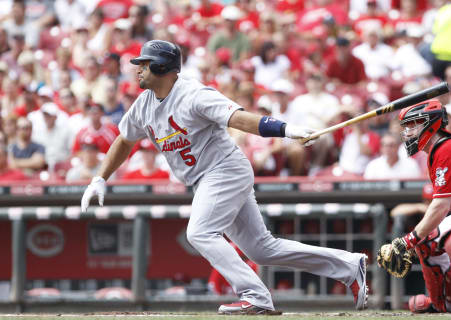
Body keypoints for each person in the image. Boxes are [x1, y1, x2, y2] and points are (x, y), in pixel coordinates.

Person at [80, 40, 368, 315]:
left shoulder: (193, 95)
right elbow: (124, 139)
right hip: (205, 178)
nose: (137, 68)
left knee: (200, 232)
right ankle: (348, 266)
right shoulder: (143, 104)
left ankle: (255, 297)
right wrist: (100, 178)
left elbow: (238, 118)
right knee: (262, 250)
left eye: (144, 63)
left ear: (161, 67)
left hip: (223, 169)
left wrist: (285, 130)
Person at [377, 99, 451, 313]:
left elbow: (441, 207)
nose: (407, 132)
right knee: (428, 241)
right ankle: (446, 306)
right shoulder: (439, 150)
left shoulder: (447, 149)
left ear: (430, 124)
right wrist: (414, 240)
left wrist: (406, 241)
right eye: (406, 127)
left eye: (412, 125)